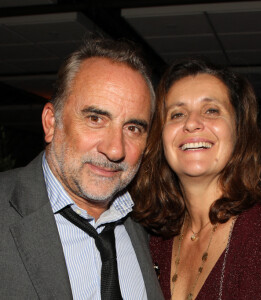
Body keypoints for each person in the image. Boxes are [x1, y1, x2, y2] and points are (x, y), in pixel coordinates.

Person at [0, 35, 164, 300]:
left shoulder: (148, 227)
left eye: (133, 128)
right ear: (51, 123)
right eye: (96, 118)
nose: (115, 149)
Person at [130, 58, 261, 299]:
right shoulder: (154, 239)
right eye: (177, 114)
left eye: (211, 110)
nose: (191, 123)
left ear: (239, 130)